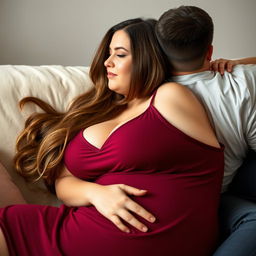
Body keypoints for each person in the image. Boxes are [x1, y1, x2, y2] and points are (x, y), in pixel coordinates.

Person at [0, 18, 224, 256]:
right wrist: (97, 194)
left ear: (148, 57)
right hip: (60, 231)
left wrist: (229, 63)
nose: (107, 62)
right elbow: (64, 183)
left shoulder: (171, 97)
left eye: (120, 54)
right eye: (108, 54)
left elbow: (243, 74)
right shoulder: (96, 112)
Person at [155, 5, 256, 256]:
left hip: (166, 195)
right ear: (210, 50)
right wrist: (238, 64)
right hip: (218, 194)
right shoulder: (244, 81)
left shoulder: (146, 86)